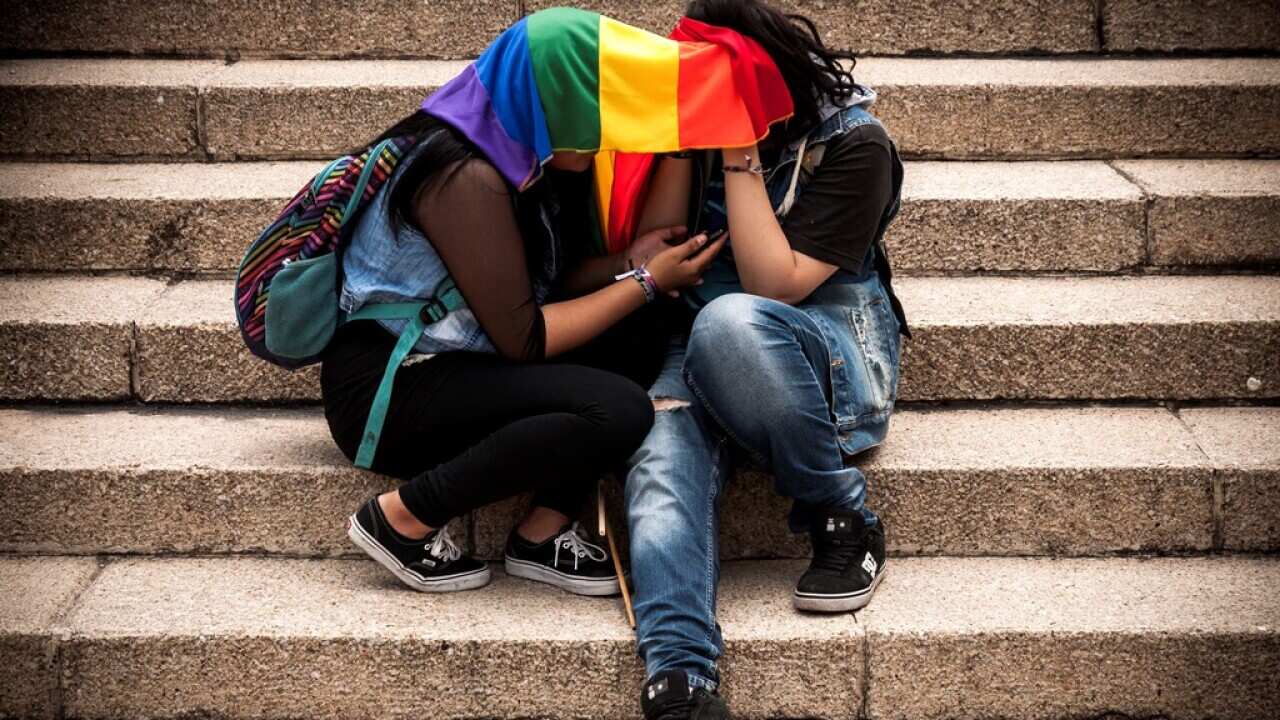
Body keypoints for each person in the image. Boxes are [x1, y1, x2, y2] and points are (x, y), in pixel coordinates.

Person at [319, 7, 796, 598]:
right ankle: (402, 518)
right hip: (389, 390)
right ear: (552, 102)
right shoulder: (462, 175)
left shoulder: (511, 151)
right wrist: (645, 281)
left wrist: (631, 263)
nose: (604, 132)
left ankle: (540, 537)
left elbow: (547, 280)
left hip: (459, 357)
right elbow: (526, 337)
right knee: (620, 410)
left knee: (640, 330)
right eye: (593, 109)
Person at [623, 1, 911, 717]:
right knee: (659, 462)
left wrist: (740, 150)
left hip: (826, 351)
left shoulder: (856, 144)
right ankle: (681, 679)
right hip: (701, 348)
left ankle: (842, 517)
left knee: (729, 321)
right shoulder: (699, 135)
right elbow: (660, 243)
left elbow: (772, 285)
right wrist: (679, 134)